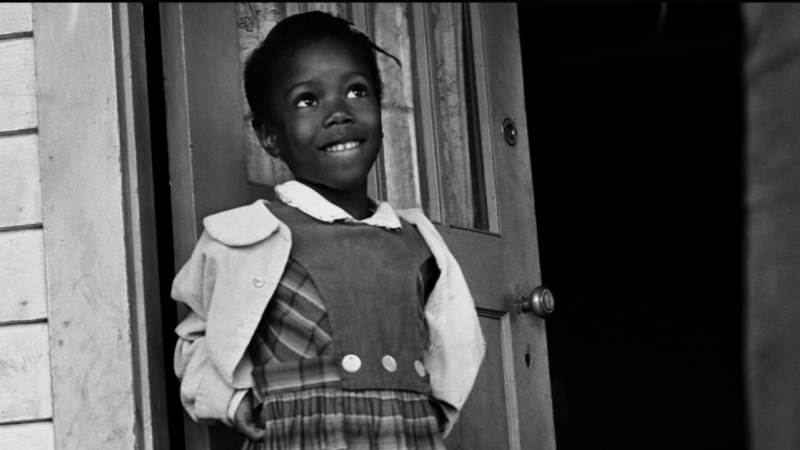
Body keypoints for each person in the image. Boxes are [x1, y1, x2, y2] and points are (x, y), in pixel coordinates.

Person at [171, 10, 485, 450]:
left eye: (356, 90)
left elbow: (457, 341)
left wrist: (434, 413)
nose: (338, 112)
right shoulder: (246, 238)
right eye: (306, 100)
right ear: (269, 136)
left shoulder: (418, 242)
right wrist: (229, 400)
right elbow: (196, 334)